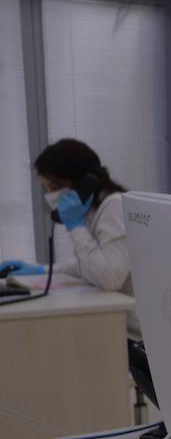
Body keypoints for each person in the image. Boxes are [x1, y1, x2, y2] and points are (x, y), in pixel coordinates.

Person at [0, 139, 138, 336]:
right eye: (46, 188)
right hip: (114, 324)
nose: (50, 195)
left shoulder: (113, 206)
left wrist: (76, 227)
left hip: (131, 332)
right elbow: (87, 267)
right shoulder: (90, 211)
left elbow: (110, 277)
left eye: (53, 186)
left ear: (84, 182)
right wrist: (40, 270)